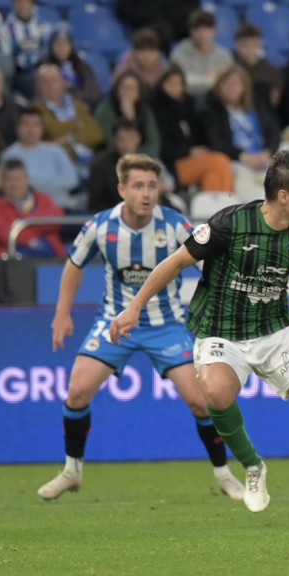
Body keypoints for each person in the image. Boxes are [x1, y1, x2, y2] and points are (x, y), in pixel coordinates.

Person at [107, 150, 289, 518]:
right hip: (221, 333)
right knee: (215, 393)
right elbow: (175, 263)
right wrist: (134, 307)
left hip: (275, 332)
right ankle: (252, 465)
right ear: (284, 195)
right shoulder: (230, 224)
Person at [38, 153, 244, 502]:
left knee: (200, 400)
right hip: (113, 322)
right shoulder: (100, 226)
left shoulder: (175, 225)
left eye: (152, 186)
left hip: (166, 325)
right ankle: (72, 471)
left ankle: (224, 474)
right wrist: (63, 313)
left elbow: (208, 265)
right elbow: (74, 265)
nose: (147, 194)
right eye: (138, 186)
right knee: (76, 393)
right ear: (122, 189)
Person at [199, 65, 280, 199]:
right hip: (236, 161)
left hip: (264, 158)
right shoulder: (211, 110)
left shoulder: (256, 106)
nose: (232, 88)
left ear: (244, 87)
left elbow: (274, 132)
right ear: (219, 86)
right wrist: (244, 157)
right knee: (252, 189)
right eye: (227, 84)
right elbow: (216, 143)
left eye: (236, 84)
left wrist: (268, 152)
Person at [151, 64, 234, 194]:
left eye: (179, 84)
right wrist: (188, 151)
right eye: (170, 83)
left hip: (192, 159)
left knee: (213, 174)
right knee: (219, 162)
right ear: (161, 84)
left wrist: (201, 149)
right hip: (171, 164)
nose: (175, 88)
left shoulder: (189, 107)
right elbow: (162, 147)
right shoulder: (155, 110)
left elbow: (200, 136)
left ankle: (214, 209)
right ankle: (224, 210)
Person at [0, 157, 66, 286]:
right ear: (2, 182)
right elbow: (4, 234)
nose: (14, 184)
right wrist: (36, 234)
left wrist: (24, 225)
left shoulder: (43, 199)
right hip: (10, 262)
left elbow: (56, 220)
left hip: (49, 255)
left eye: (18, 179)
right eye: (9, 179)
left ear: (27, 179)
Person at [0, 106, 78, 209]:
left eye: (36, 125)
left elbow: (71, 180)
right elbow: (13, 187)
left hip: (61, 207)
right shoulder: (9, 155)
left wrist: (34, 184)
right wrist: (51, 183)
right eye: (26, 124)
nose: (30, 129)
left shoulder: (56, 150)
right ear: (17, 128)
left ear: (42, 129)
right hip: (26, 211)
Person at [30, 63, 105, 168]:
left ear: (62, 83)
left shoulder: (78, 106)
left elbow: (97, 134)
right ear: (38, 85)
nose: (50, 86)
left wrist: (69, 138)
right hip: (57, 163)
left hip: (90, 160)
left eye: (54, 80)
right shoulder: (35, 108)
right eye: (45, 82)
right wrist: (78, 125)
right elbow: (52, 129)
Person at [0, 0, 56, 98]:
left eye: (27, 0)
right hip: (19, 74)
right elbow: (7, 58)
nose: (23, 5)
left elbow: (48, 52)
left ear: (33, 3)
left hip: (42, 69)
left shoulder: (43, 27)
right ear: (13, 2)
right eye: (19, 0)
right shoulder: (4, 29)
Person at [115, 0, 200, 55]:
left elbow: (193, 3)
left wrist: (179, 15)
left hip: (177, 20)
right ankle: (167, 70)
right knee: (163, 32)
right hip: (148, 22)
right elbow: (124, 7)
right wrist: (147, 16)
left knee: (199, 30)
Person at [94, 70, 160, 159]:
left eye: (132, 88)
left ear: (139, 92)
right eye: (124, 88)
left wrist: (131, 118)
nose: (127, 92)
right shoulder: (105, 111)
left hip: (144, 158)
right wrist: (127, 118)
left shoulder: (145, 111)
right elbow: (111, 144)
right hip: (113, 160)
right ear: (117, 90)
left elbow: (154, 143)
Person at [169, 9, 234, 100]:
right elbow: (180, 83)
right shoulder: (178, 53)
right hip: (186, 101)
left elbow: (228, 84)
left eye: (207, 29)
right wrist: (212, 80)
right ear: (190, 31)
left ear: (215, 31)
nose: (202, 34)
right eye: (197, 29)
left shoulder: (224, 55)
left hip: (216, 102)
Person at [40, 27, 102, 108]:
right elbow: (41, 94)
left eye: (65, 44)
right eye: (58, 43)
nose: (61, 48)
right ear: (51, 46)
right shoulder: (43, 66)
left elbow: (94, 92)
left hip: (82, 107)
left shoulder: (81, 65)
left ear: (71, 46)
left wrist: (76, 100)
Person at [232, 22, 282, 111]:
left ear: (260, 45)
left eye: (254, 44)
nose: (250, 49)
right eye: (245, 45)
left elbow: (274, 101)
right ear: (237, 45)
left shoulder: (271, 71)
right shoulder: (231, 68)